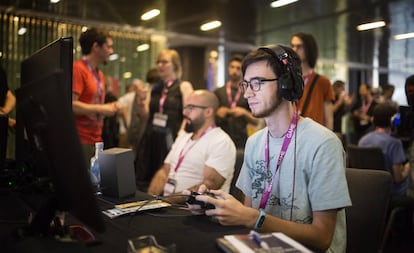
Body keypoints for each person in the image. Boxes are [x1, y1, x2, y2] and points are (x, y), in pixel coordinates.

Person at [188, 45, 351, 252]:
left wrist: (254, 217)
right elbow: (249, 213)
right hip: (261, 245)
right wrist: (217, 207)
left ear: (286, 84)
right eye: (245, 84)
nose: (247, 93)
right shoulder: (254, 143)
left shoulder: (323, 144)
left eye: (257, 83)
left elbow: (322, 237)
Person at [147, 89, 236, 198]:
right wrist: (150, 201)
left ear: (208, 112)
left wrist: (167, 202)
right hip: (169, 206)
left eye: (191, 108)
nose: (184, 112)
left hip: (197, 211)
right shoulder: (184, 136)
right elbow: (164, 172)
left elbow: (208, 185)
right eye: (185, 107)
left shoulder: (221, 141)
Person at [136, 49, 194, 189]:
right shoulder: (153, 88)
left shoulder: (183, 87)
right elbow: (145, 117)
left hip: (170, 138)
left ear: (174, 65)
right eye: (158, 62)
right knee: (143, 178)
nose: (160, 65)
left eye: (164, 62)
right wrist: (140, 102)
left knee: (165, 180)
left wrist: (179, 140)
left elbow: (188, 116)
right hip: (151, 137)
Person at [72, 28, 120, 165]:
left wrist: (110, 108)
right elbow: (72, 105)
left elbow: (95, 106)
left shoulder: (99, 75)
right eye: (108, 46)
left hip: (96, 139)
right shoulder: (78, 69)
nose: (111, 51)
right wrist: (102, 108)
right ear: (96, 47)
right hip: (80, 139)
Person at [358, 103, 410, 196]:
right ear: (393, 121)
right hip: (391, 192)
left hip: (367, 191)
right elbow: (398, 178)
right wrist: (408, 168)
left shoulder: (363, 140)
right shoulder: (395, 143)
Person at [290, 32, 335, 130]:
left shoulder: (323, 82)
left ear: (308, 49)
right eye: (292, 46)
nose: (295, 50)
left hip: (315, 136)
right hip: (291, 136)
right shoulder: (288, 79)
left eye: (299, 46)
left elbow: (329, 119)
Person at [214, 54, 259, 150]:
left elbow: (257, 122)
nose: (234, 71)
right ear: (228, 69)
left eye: (238, 68)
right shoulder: (218, 92)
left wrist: (244, 113)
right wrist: (217, 113)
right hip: (220, 140)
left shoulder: (249, 92)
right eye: (232, 67)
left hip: (241, 142)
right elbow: (209, 116)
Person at [118, 79, 149, 151]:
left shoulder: (128, 97)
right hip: (128, 132)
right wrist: (128, 126)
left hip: (128, 131)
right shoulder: (131, 96)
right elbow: (123, 111)